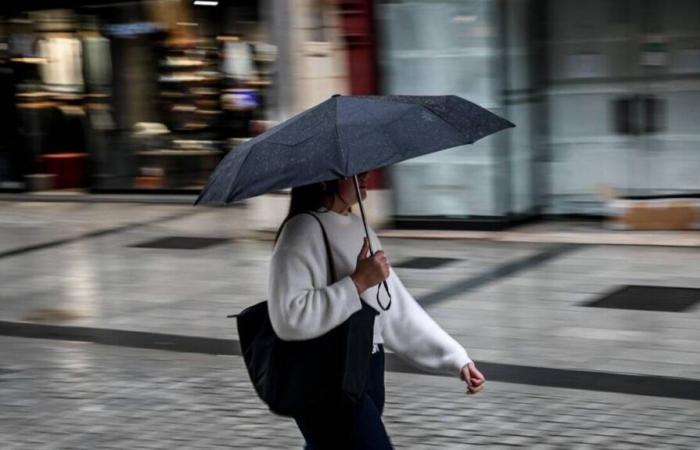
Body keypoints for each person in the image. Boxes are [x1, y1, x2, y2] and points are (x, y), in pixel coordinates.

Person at [268, 171, 486, 449]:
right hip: (324, 375)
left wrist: (455, 358)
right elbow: (288, 317)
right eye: (353, 171)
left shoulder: (361, 228)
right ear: (325, 178)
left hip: (367, 368)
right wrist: (357, 282)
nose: (365, 174)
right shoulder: (300, 231)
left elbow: (395, 310)